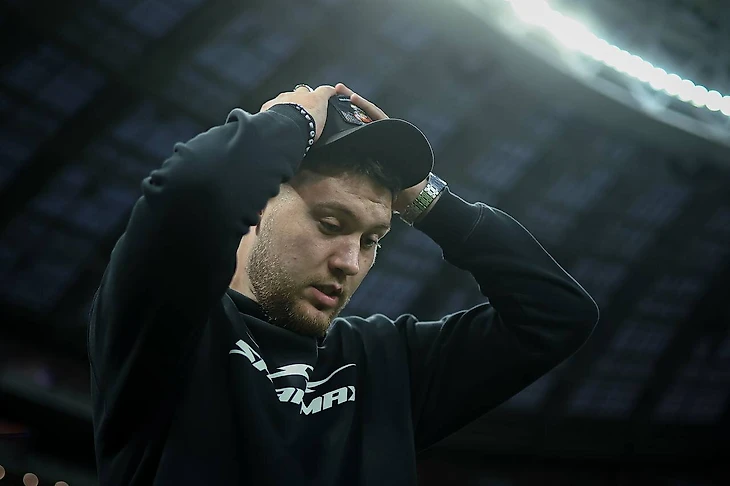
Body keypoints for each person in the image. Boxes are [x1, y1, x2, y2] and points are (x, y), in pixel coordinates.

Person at [87, 82, 599, 486]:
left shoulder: (388, 363)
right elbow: (196, 189)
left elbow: (557, 314)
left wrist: (427, 201)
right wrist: (292, 118)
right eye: (331, 224)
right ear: (257, 206)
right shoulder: (168, 321)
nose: (351, 262)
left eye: (373, 239)